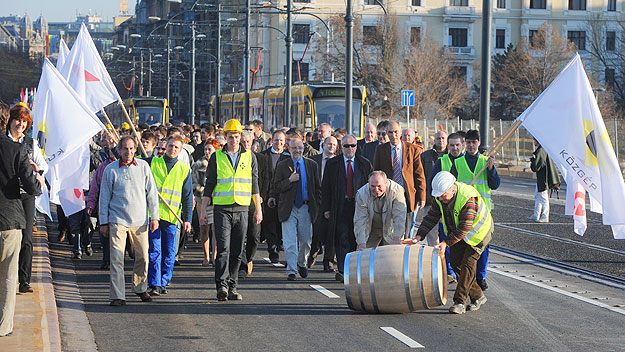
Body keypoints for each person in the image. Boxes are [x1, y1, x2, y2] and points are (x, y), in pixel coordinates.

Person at [413, 171, 492, 314]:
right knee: (455, 262)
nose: (441, 198)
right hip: (458, 233)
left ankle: (459, 302)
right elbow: (432, 217)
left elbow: (464, 229)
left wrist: (445, 243)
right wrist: (418, 236)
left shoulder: (468, 198)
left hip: (479, 234)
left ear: (453, 189)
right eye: (439, 196)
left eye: (443, 195)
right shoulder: (440, 197)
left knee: (468, 264)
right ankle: (478, 295)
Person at [201, 119, 262, 301]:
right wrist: (204, 210)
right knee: (223, 249)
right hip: (222, 208)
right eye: (230, 137)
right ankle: (222, 286)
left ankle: (233, 285)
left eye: (237, 137)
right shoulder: (217, 157)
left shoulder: (250, 156)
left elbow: (255, 184)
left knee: (237, 250)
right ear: (225, 138)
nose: (234, 140)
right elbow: (209, 184)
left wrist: (258, 209)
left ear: (240, 137)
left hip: (242, 208)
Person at [99, 136, 160, 306]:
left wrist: (155, 216)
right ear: (119, 150)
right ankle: (118, 295)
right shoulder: (110, 170)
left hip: (140, 221)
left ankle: (140, 288)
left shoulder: (143, 167)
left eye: (132, 148)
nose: (129, 152)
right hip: (117, 220)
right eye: (125, 148)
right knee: (117, 258)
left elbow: (152, 193)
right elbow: (104, 198)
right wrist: (104, 222)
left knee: (142, 257)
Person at [0, 103, 42, 336]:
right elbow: (33, 186)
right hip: (9, 220)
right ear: (7, 121)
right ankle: (3, 326)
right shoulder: (17, 151)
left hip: (10, 217)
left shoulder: (25, 146)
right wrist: (36, 176)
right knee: (7, 276)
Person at [450, 129, 499, 291]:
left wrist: (491, 169)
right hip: (465, 212)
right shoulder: (457, 163)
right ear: (465, 144)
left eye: (474, 142)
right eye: (468, 142)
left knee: (483, 247)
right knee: (465, 247)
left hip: (483, 213)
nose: (471, 145)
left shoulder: (486, 161)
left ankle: (481, 276)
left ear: (478, 143)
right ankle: (466, 277)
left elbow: (495, 184)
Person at [6, 104, 48, 294]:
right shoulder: (3, 142)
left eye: (24, 122)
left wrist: (36, 171)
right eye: (17, 120)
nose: (20, 124)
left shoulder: (30, 144)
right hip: (7, 194)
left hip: (27, 194)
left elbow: (43, 166)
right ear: (10, 120)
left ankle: (24, 280)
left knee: (26, 238)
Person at [321, 135, 372, 282]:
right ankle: (343, 270)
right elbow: (326, 189)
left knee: (356, 238)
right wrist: (326, 209)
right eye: (346, 146)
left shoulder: (364, 164)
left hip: (359, 207)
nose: (350, 148)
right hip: (340, 206)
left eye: (353, 145)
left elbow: (370, 188)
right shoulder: (332, 164)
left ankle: (354, 269)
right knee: (341, 238)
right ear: (340, 147)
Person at [147, 135, 193, 296]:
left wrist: (187, 219)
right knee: (154, 250)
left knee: (169, 251)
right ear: (165, 147)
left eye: (176, 147)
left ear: (180, 151)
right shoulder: (153, 163)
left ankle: (164, 279)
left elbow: (187, 197)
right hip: (154, 216)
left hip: (172, 217)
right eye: (171, 146)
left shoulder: (184, 170)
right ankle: (154, 283)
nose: (172, 149)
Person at [270, 138, 321, 281]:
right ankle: (291, 270)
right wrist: (289, 181)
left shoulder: (312, 165)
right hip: (289, 208)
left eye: (299, 148)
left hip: (306, 207)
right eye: (294, 148)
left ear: (303, 148)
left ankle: (302, 263)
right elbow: (276, 187)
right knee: (290, 241)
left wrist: (317, 206)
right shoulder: (282, 165)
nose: (297, 151)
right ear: (288, 148)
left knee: (305, 240)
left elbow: (317, 188)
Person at [373, 120, 426, 239]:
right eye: (390, 132)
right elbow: (376, 172)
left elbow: (419, 174)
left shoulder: (412, 149)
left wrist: (422, 196)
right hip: (387, 195)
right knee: (388, 230)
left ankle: (403, 253)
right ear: (386, 133)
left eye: (396, 132)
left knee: (406, 229)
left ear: (400, 132)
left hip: (406, 195)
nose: (393, 135)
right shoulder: (381, 150)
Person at [239, 130, 270, 278]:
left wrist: (261, 198)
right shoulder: (236, 158)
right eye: (243, 142)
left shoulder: (260, 159)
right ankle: (242, 264)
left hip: (255, 201)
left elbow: (264, 179)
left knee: (254, 235)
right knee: (240, 234)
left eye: (248, 142)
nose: (246, 144)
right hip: (240, 201)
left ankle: (249, 258)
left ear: (253, 143)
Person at [354, 171, 406, 249]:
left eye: (379, 186)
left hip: (390, 227)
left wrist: (397, 237)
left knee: (393, 255)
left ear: (386, 182)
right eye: (373, 186)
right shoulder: (362, 194)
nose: (376, 189)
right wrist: (361, 243)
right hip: (371, 228)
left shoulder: (397, 191)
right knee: (364, 255)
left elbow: (399, 217)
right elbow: (360, 220)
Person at [87, 144, 119, 270]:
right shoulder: (103, 167)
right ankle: (107, 259)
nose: (113, 154)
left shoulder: (126, 167)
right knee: (104, 234)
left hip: (119, 207)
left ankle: (115, 260)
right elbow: (95, 186)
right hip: (104, 205)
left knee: (116, 236)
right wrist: (91, 203)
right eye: (111, 152)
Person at [308, 135, 338, 271]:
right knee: (315, 231)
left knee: (332, 233)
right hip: (316, 200)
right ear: (323, 145)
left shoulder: (338, 162)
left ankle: (328, 261)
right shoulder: (314, 161)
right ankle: (312, 255)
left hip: (332, 201)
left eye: (333, 144)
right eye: (329, 144)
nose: (331, 146)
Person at [260, 130, 290, 263]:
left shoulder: (288, 157)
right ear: (272, 141)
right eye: (276, 140)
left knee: (281, 223)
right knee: (270, 224)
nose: (279, 143)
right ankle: (273, 251)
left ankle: (279, 243)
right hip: (267, 195)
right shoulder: (263, 156)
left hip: (283, 195)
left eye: (281, 140)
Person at [418, 130, 448, 246]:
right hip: (430, 199)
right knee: (431, 230)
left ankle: (446, 256)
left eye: (443, 138)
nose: (441, 140)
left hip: (447, 199)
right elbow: (420, 176)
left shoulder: (451, 156)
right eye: (438, 138)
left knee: (446, 230)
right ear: (434, 140)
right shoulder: (425, 156)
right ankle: (433, 252)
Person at [193, 140, 220, 266]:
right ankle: (206, 256)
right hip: (202, 199)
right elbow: (194, 182)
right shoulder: (198, 164)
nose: (207, 152)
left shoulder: (220, 162)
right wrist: (204, 191)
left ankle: (214, 255)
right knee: (204, 228)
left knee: (216, 229)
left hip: (217, 200)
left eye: (210, 149)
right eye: (206, 149)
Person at [529, 138, 561, 223]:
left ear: (537, 141)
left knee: (543, 197)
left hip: (543, 178)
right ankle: (536, 215)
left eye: (534, 140)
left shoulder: (541, 151)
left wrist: (532, 162)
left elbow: (536, 166)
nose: (534, 142)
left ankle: (545, 216)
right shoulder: (543, 149)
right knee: (538, 196)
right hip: (542, 177)